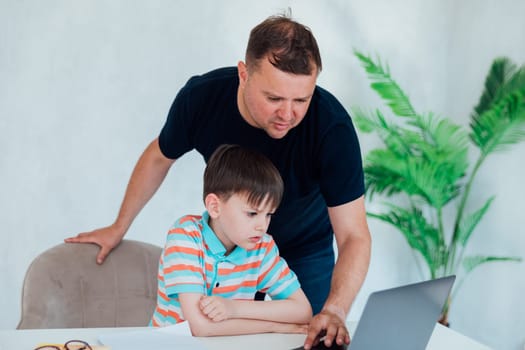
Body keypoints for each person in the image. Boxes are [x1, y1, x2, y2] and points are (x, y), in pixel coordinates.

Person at [66, 14, 371, 349]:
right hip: (223, 250)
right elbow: (158, 157)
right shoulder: (202, 99)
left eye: (301, 100)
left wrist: (335, 309)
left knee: (311, 337)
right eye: (274, 99)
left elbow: (354, 234)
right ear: (243, 74)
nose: (288, 114)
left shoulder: (331, 127)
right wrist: (119, 225)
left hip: (303, 248)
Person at [150, 144, 312, 335]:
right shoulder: (185, 237)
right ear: (215, 207)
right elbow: (198, 327)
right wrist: (273, 326)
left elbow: (302, 311)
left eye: (269, 214)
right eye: (252, 213)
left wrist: (233, 308)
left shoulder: (262, 247)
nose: (262, 226)